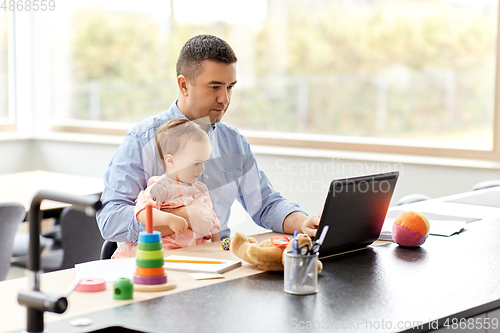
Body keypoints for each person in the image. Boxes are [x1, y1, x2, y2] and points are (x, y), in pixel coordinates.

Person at [97, 34, 320, 245]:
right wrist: (183, 216)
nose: (225, 99)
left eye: (230, 87)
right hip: (158, 267)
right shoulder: (142, 139)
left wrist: (303, 223)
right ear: (184, 85)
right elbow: (111, 219)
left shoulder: (233, 141)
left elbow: (266, 204)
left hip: (218, 263)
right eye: (215, 87)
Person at [112, 119, 220, 258]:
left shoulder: (201, 189)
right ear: (170, 161)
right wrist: (169, 219)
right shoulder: (161, 186)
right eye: (196, 163)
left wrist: (217, 247)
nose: (202, 169)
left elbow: (211, 221)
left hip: (192, 255)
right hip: (162, 255)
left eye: (204, 162)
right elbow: (142, 212)